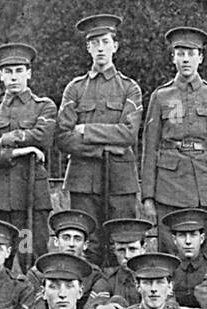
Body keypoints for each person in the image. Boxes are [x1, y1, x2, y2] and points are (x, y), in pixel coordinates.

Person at [56, 14, 144, 266]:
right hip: (83, 178)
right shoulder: (75, 88)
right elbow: (63, 137)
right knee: (88, 244)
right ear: (88, 48)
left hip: (121, 179)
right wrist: (105, 146)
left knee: (123, 242)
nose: (100, 48)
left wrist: (86, 130)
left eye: (105, 41)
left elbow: (128, 134)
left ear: (115, 46)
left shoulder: (130, 88)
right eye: (94, 43)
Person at [141, 26, 207, 257]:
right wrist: (148, 196)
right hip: (170, 186)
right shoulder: (161, 96)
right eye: (180, 53)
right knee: (171, 254)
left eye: (191, 53)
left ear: (200, 58)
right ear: (173, 57)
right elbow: (150, 147)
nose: (185, 59)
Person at [0, 42, 56, 269]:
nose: (14, 77)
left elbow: (43, 137)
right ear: (0, 76)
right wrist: (21, 150)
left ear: (29, 73)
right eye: (8, 72)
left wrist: (5, 140)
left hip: (31, 196)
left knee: (34, 259)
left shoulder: (44, 107)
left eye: (19, 71)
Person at [84, 217, 150, 309]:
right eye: (121, 250)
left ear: (144, 249)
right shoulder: (108, 279)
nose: (127, 256)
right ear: (114, 251)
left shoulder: (156, 277)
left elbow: (170, 304)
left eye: (132, 249)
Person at [162, 209, 207, 309]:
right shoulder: (166, 268)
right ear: (174, 240)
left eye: (193, 235)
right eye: (182, 236)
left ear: (202, 238)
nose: (188, 241)